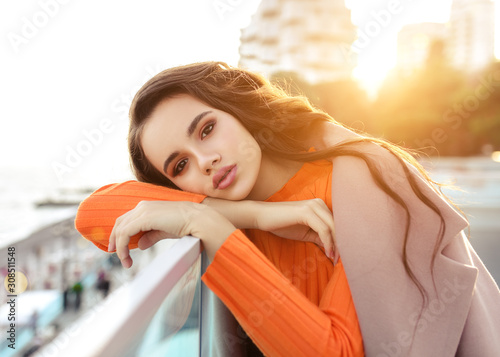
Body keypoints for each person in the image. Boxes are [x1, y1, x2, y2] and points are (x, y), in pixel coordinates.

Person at [75, 62, 500, 356]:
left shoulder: (352, 186)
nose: (204, 161)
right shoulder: (234, 209)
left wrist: (209, 225)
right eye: (180, 165)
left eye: (207, 129)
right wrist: (257, 216)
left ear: (237, 110)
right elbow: (91, 215)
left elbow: (335, 351)